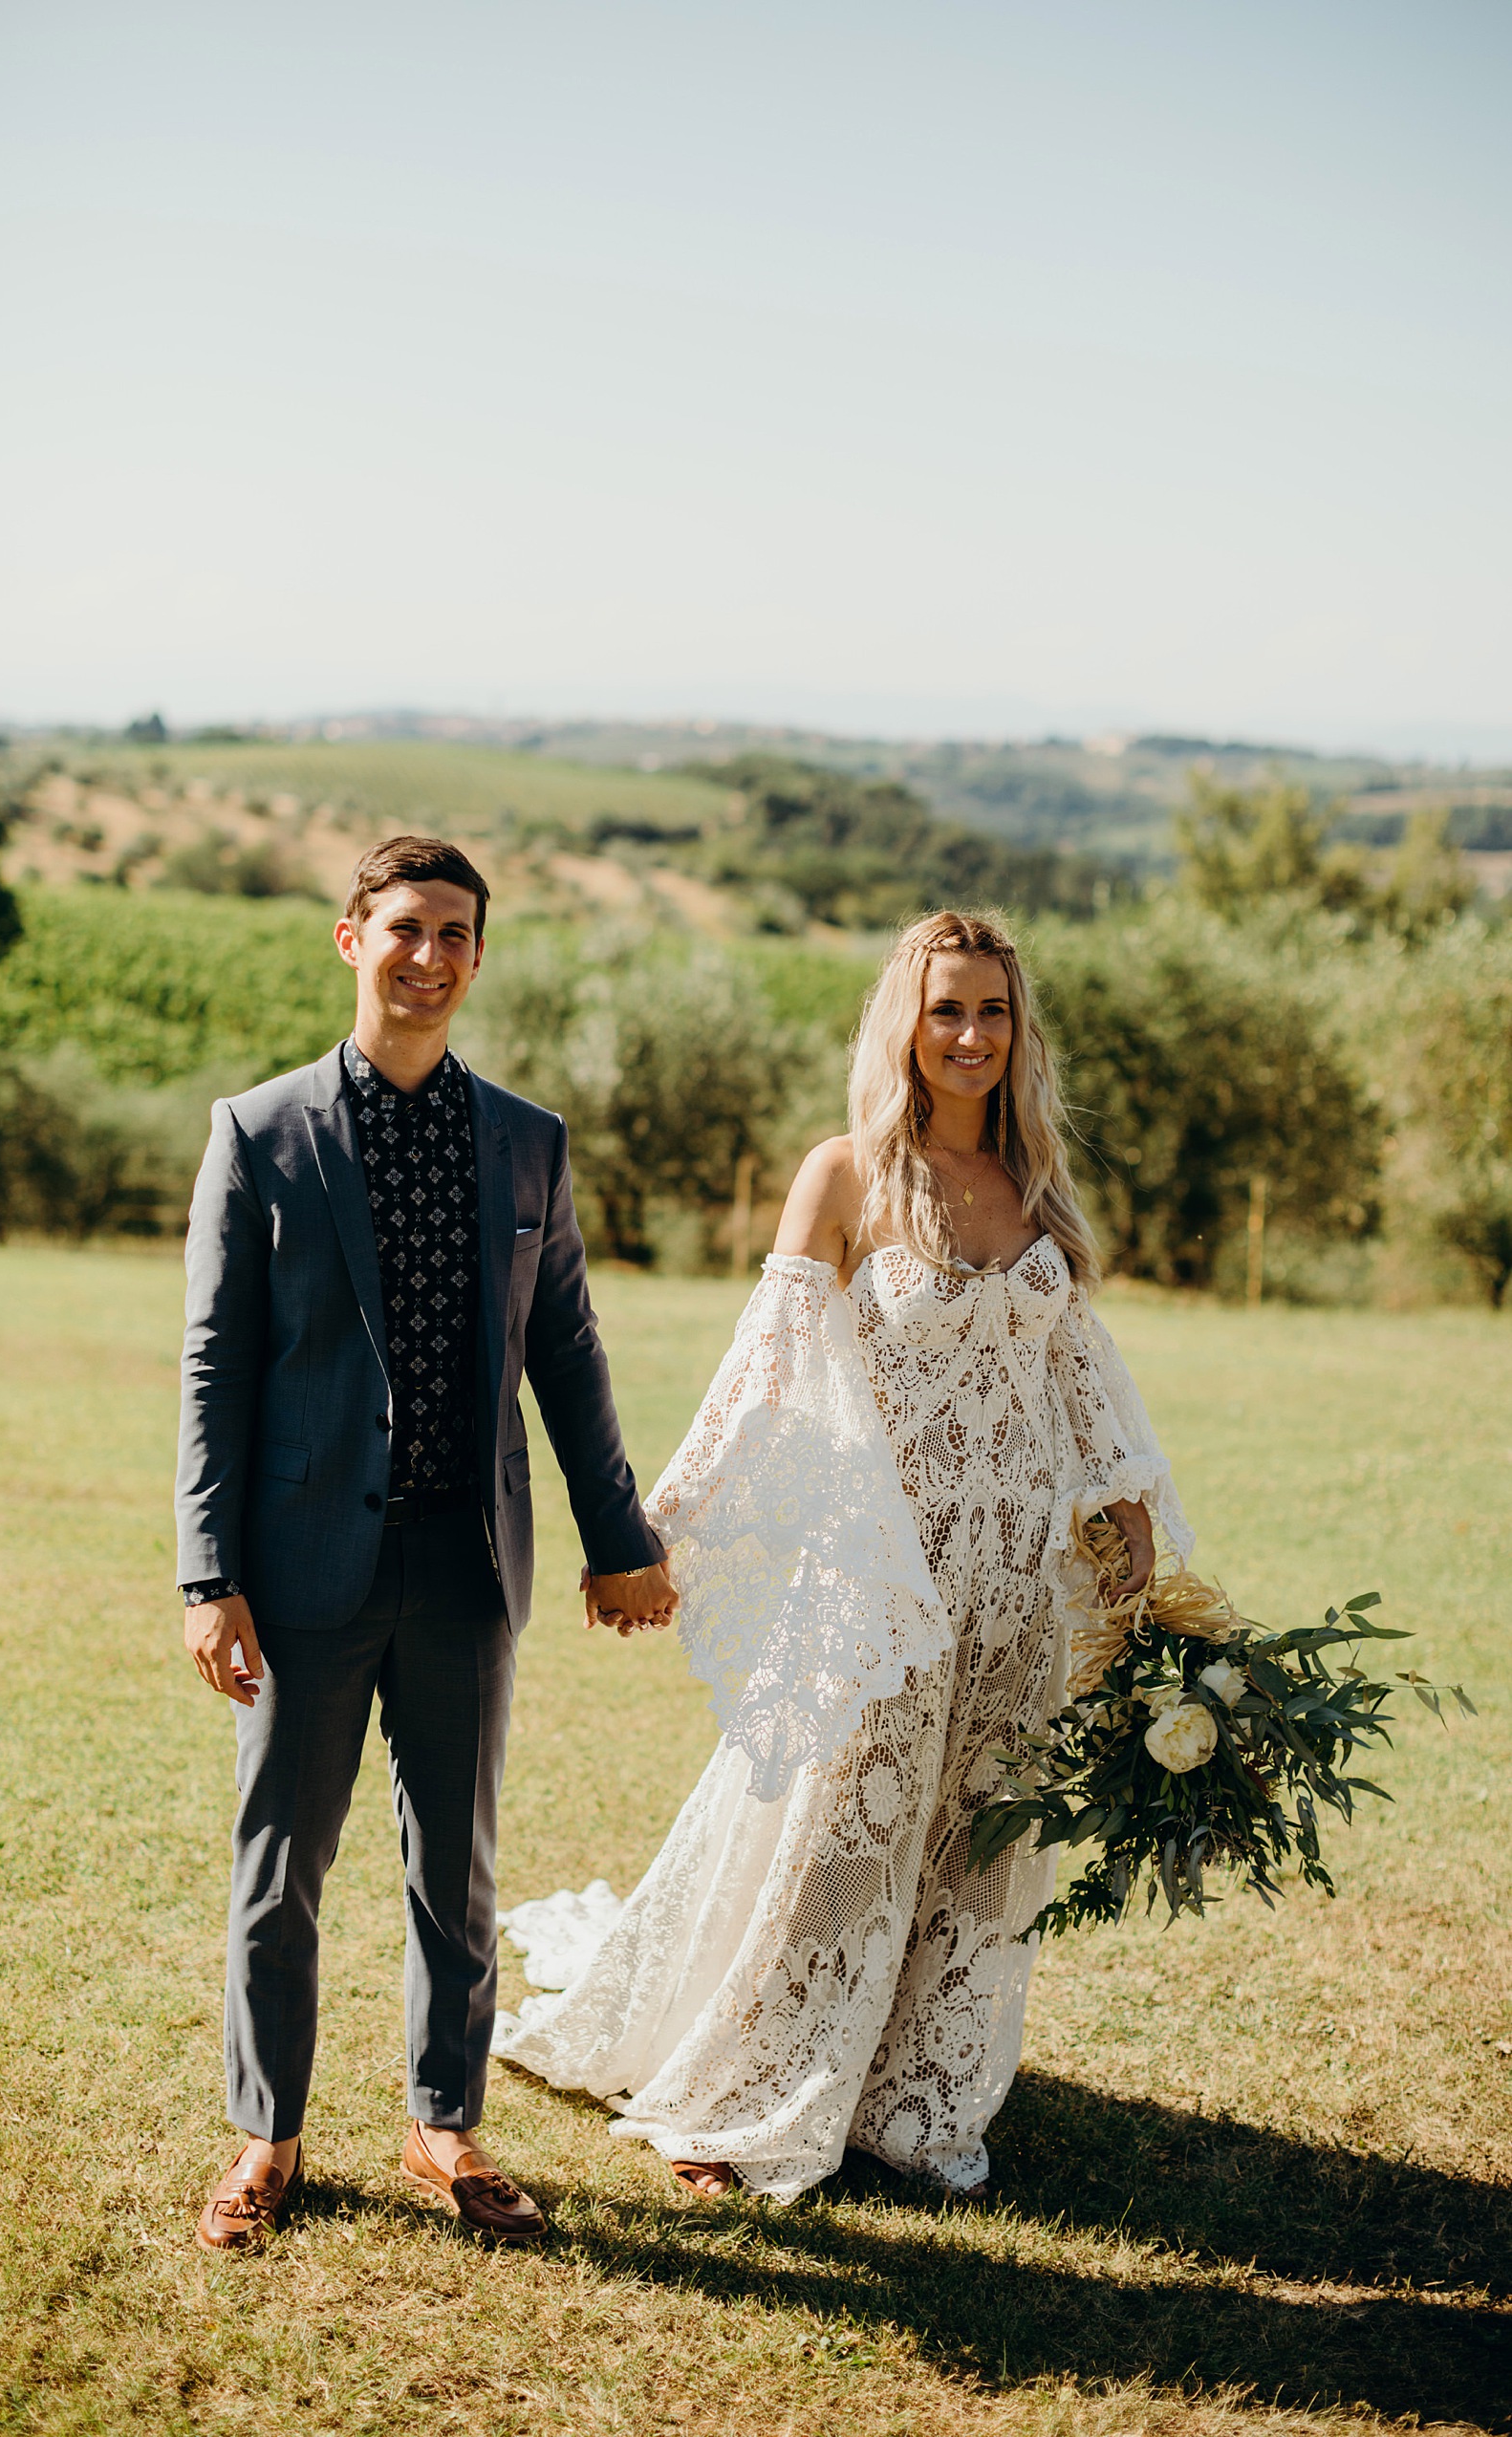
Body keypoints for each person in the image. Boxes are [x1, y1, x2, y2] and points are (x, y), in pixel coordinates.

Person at [492, 908, 1191, 2200]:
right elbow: (768, 1366)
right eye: (946, 1009)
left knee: (984, 1834)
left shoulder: (1037, 1183)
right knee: (837, 1831)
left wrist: (1129, 1506)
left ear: (1018, 1030)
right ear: (905, 1023)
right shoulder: (848, 1174)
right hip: (882, 1568)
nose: (970, 1035)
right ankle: (748, 2094)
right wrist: (666, 1516)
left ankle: (918, 2094)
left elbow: (1078, 1363)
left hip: (1019, 1573)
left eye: (992, 1011)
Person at [176, 833, 677, 2251]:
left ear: (475, 953)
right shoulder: (259, 1133)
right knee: (281, 1863)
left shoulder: (527, 1140)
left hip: (470, 1563)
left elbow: (566, 1352)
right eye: (406, 927)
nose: (431, 955)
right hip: (300, 1567)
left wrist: (616, 1534)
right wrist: (208, 1575)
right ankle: (267, 2137)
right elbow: (216, 1367)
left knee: (454, 1862)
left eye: (457, 933)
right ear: (352, 938)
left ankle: (442, 2122)